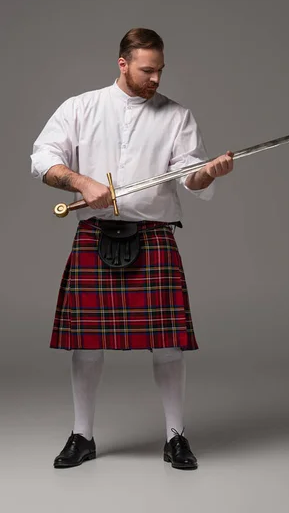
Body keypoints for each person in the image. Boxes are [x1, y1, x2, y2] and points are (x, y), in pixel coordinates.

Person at [30, 27, 234, 470]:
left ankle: (175, 437)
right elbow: (42, 157)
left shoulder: (177, 116)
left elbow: (190, 177)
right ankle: (82, 436)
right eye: (147, 70)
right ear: (123, 64)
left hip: (154, 235)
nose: (156, 79)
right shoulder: (81, 108)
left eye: (160, 70)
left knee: (168, 343)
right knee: (84, 343)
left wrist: (209, 173)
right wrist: (81, 181)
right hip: (95, 232)